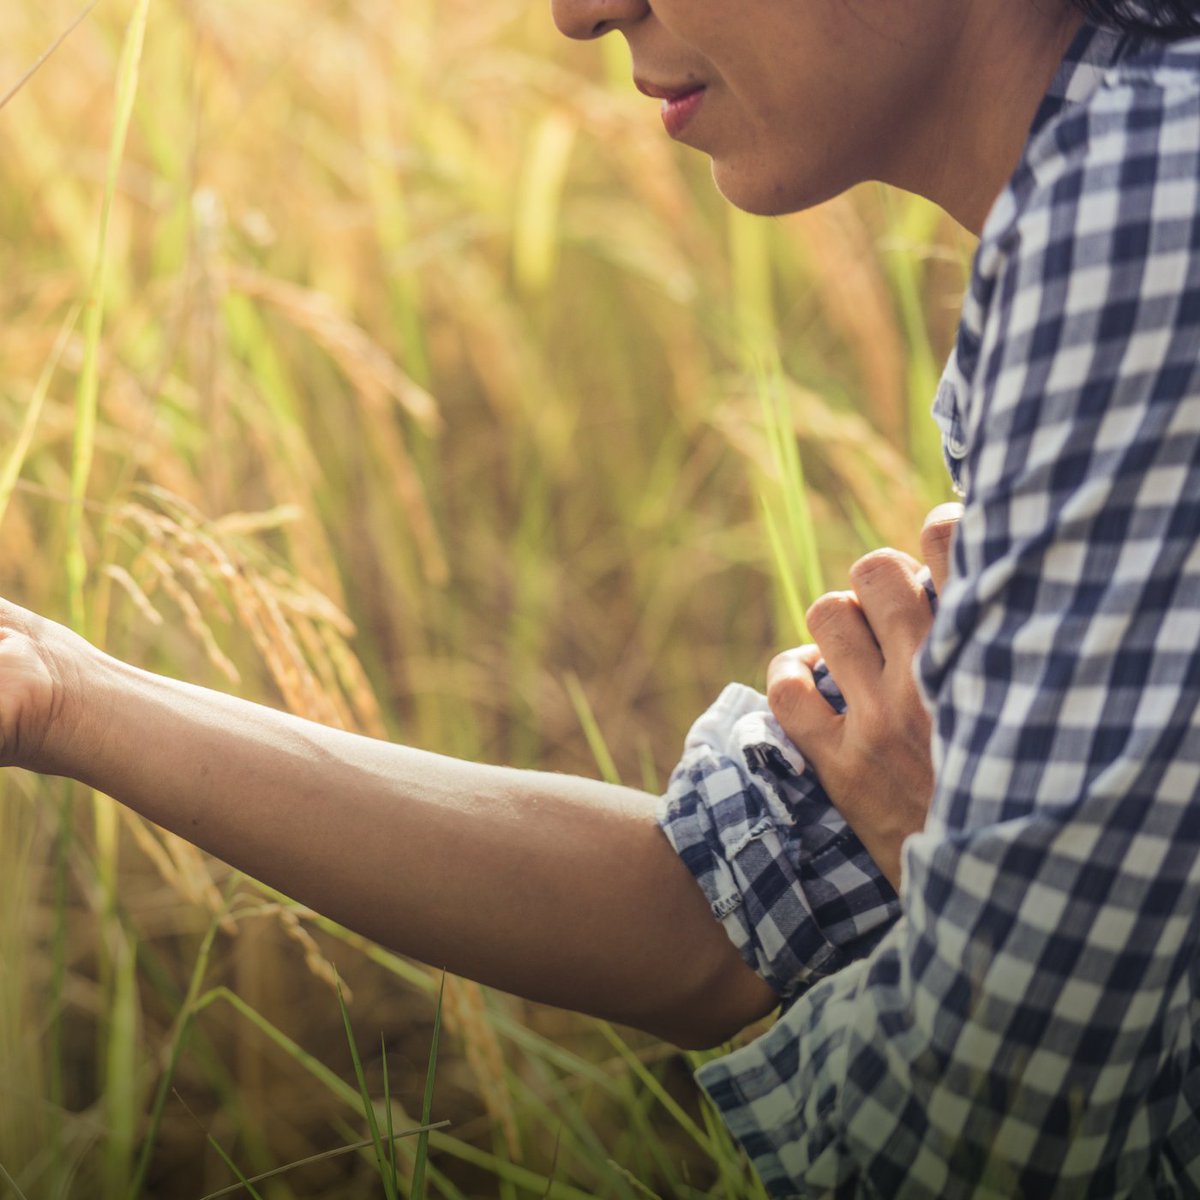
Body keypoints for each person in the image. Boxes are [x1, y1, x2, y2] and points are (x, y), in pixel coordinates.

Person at [7, 0, 1200, 1194]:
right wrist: (67, 696)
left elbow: (991, 1145)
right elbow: (715, 916)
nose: (581, 12)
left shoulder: (1138, 216)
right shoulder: (1105, 204)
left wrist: (938, 854)